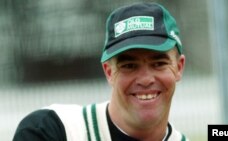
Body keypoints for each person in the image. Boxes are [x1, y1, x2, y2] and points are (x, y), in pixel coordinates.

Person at [13, 2, 188, 141]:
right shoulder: (55, 130)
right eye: (129, 66)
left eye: (158, 63)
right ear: (109, 72)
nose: (145, 79)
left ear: (179, 68)